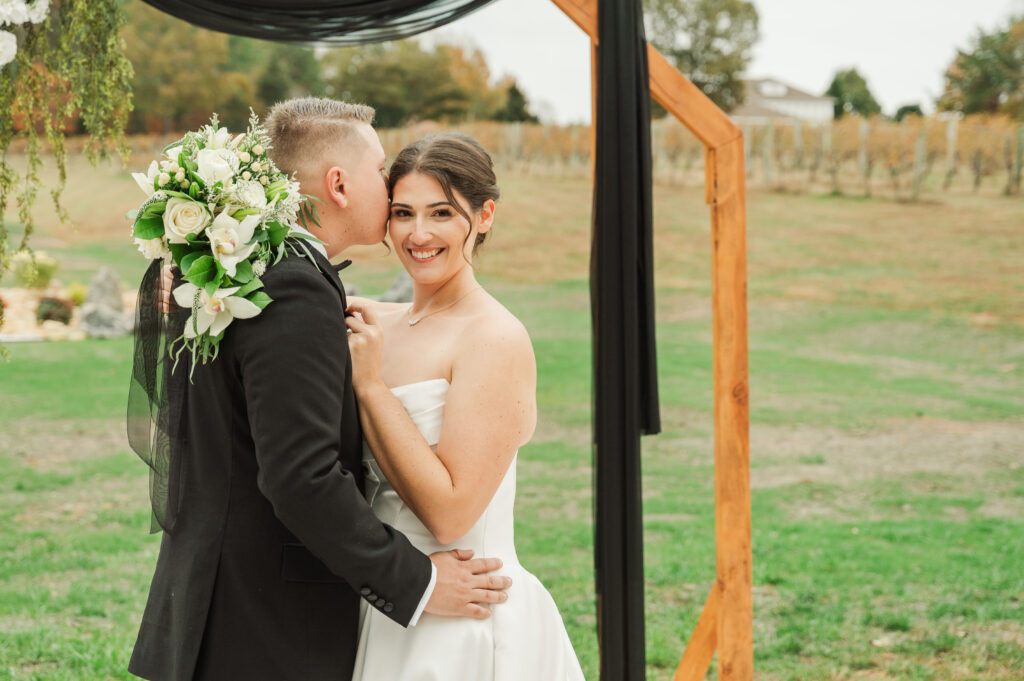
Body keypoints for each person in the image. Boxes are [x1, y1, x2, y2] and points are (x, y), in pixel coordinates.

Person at [131, 99, 511, 681]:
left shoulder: (233, 271)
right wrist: (421, 581)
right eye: (382, 172)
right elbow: (300, 477)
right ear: (338, 184)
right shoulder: (293, 289)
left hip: (216, 607)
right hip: (263, 630)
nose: (389, 193)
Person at [345, 132, 585, 680]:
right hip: (386, 602)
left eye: (441, 213)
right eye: (402, 213)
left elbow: (453, 515)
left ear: (484, 216)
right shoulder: (379, 322)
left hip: (462, 619)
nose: (419, 233)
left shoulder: (494, 338)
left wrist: (372, 388)